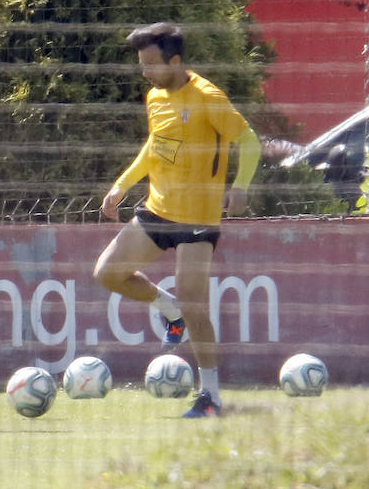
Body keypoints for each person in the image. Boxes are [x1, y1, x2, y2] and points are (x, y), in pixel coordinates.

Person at [93, 22, 260, 418]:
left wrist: (241, 186)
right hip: (157, 209)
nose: (145, 72)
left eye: (151, 64)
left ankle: (211, 397)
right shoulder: (154, 96)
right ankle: (170, 312)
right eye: (141, 64)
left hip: (198, 219)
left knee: (196, 304)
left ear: (176, 60)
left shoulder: (207, 96)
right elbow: (156, 146)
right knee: (106, 273)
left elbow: (250, 141)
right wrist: (121, 185)